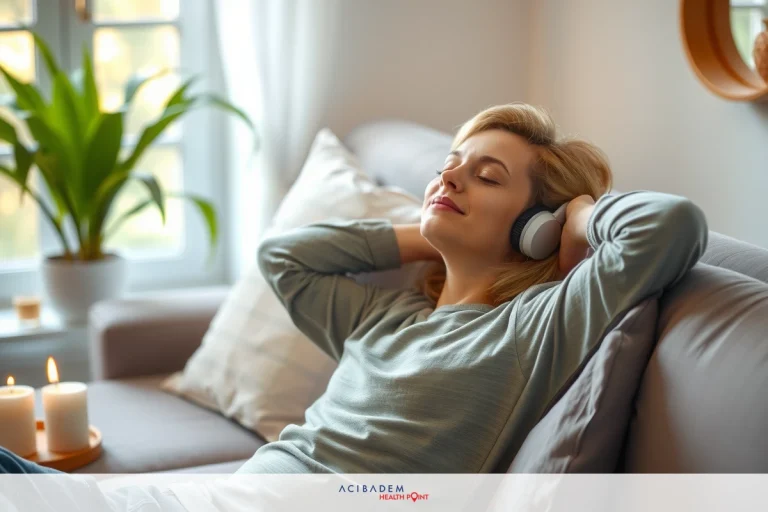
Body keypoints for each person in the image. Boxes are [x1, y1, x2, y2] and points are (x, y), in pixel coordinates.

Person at [0, 103, 709, 506]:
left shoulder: (531, 328)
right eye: (449, 165)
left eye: (484, 176)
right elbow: (284, 259)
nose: (451, 176)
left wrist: (580, 217)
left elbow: (671, 225)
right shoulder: (387, 320)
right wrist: (424, 236)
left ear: (535, 227)